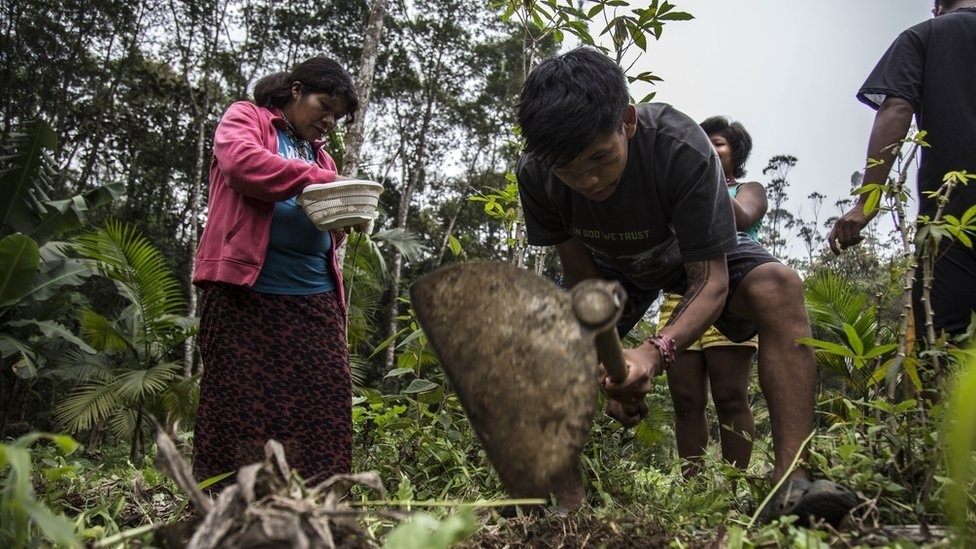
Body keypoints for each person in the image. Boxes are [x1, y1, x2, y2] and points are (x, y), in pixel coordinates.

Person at [515, 47, 859, 527]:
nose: (589, 180)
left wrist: (651, 354)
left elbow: (710, 280)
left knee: (778, 287)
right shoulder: (537, 175)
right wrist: (611, 365)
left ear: (628, 122)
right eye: (570, 171)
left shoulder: (680, 146)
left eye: (599, 158)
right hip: (613, 270)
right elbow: (583, 283)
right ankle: (569, 511)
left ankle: (790, 488)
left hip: (692, 255)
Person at [191, 55, 360, 489]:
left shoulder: (323, 159)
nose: (330, 121)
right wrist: (316, 181)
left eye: (338, 116)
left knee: (324, 402)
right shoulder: (247, 118)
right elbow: (242, 165)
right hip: (246, 293)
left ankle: (316, 508)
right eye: (326, 106)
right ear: (297, 90)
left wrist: (345, 216)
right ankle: (231, 510)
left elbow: (323, 222)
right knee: (239, 405)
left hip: (314, 298)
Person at [827, 0, 976, 343]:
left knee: (943, 346)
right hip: (952, 221)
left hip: (951, 221)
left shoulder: (924, 35)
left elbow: (896, 108)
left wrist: (868, 202)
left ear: (937, 6)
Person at [660, 116, 766, 478]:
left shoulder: (750, 189)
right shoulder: (679, 194)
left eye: (717, 143)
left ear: (736, 152)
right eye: (702, 142)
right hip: (681, 294)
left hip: (731, 292)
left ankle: (734, 485)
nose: (709, 147)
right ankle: (693, 487)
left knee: (730, 396)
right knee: (687, 400)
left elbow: (743, 217)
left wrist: (706, 177)